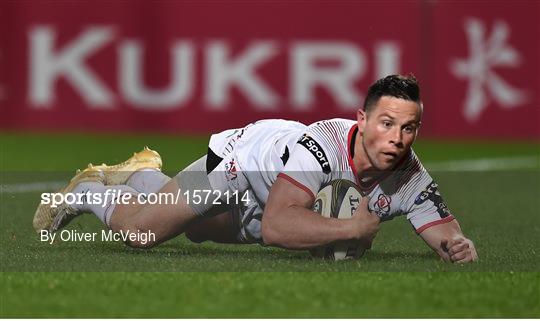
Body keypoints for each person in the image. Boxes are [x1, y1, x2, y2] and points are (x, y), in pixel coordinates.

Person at [34, 74, 478, 263]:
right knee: (140, 232)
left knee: (198, 229)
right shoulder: (320, 148)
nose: (397, 139)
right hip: (242, 164)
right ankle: (86, 190)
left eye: (409, 128)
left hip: (271, 195)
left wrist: (456, 245)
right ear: (361, 121)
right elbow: (278, 227)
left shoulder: (408, 172)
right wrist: (351, 231)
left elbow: (441, 226)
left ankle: (140, 172)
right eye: (386, 124)